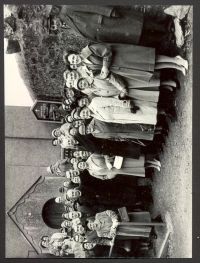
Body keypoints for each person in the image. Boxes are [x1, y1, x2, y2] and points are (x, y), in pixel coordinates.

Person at [50, 5, 175, 47]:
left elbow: (89, 6)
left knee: (137, 23)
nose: (55, 25)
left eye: (53, 22)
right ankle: (166, 38)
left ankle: (165, 28)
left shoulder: (67, 8)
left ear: (54, 16)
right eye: (53, 27)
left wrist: (108, 11)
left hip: (107, 20)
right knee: (135, 36)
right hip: (106, 34)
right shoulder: (66, 26)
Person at [63, 43, 188, 82]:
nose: (75, 60)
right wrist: (97, 75)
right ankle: (176, 66)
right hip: (122, 68)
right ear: (74, 65)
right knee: (150, 67)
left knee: (151, 59)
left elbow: (107, 51)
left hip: (123, 57)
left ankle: (176, 60)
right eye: (73, 62)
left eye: (73, 57)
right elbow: (102, 74)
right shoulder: (86, 65)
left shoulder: (88, 49)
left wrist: (105, 67)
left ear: (75, 53)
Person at [75, 152, 161, 180]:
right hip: (117, 170)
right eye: (81, 167)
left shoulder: (92, 156)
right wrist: (111, 174)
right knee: (136, 169)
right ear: (82, 169)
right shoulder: (92, 172)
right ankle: (153, 166)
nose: (82, 165)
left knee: (136, 162)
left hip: (116, 161)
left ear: (81, 161)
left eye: (81, 163)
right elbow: (104, 177)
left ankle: (154, 161)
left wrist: (107, 161)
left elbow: (104, 154)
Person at [86, 210, 154, 240]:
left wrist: (114, 219)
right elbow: (110, 235)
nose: (92, 226)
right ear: (93, 229)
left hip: (121, 218)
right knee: (137, 229)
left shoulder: (98, 216)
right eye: (91, 227)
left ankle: (155, 220)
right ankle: (151, 231)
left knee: (138, 218)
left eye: (91, 224)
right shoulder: (99, 233)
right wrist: (113, 228)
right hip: (122, 229)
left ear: (91, 222)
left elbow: (108, 212)